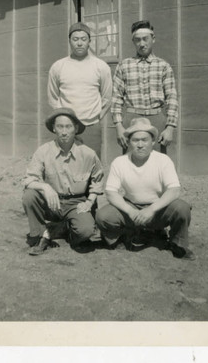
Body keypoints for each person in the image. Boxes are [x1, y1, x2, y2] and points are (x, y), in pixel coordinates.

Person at [95, 117, 195, 260]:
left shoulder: (163, 160)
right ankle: (121, 237)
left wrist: (151, 209)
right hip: (131, 207)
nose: (140, 145)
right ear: (129, 142)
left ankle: (177, 244)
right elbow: (111, 192)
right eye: (135, 140)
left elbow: (174, 190)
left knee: (182, 208)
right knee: (103, 216)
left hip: (157, 208)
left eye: (144, 140)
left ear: (153, 142)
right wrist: (130, 211)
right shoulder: (120, 162)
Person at [22, 107, 104, 255]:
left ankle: (62, 229)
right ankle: (41, 235)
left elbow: (97, 181)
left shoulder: (88, 154)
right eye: (60, 126)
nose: (64, 132)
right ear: (54, 128)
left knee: (85, 232)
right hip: (52, 203)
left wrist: (89, 202)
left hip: (76, 203)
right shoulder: (43, 151)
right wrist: (45, 188)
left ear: (76, 128)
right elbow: (29, 179)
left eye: (68, 126)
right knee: (29, 195)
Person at [111, 20, 178, 153]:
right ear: (133, 42)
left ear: (153, 39)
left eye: (145, 39)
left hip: (156, 119)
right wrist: (119, 126)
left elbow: (172, 98)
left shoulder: (163, 66)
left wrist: (170, 127)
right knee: (131, 162)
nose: (142, 44)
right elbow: (116, 98)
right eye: (137, 40)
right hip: (131, 119)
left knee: (157, 163)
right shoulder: (124, 65)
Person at [47, 22, 112, 158]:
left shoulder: (101, 66)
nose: (79, 43)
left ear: (90, 41)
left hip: (91, 126)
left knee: (92, 166)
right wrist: (63, 119)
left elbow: (107, 97)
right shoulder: (58, 66)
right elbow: (53, 97)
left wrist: (96, 117)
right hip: (66, 127)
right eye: (75, 39)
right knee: (65, 165)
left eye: (83, 39)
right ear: (69, 41)